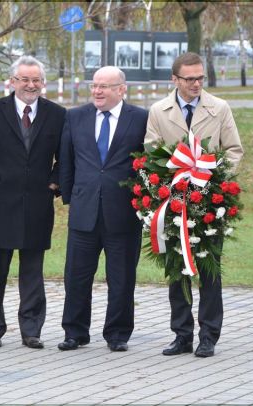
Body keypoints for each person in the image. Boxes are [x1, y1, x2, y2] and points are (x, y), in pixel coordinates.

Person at [0, 56, 66, 349]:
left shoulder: (57, 114)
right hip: (1, 203)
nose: (31, 85)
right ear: (12, 82)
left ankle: (31, 330)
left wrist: (54, 183)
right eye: (25, 80)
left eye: (36, 80)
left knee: (33, 272)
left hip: (38, 204)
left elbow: (65, 156)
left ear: (43, 83)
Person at [145, 52, 244, 358]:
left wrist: (214, 179)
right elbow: (152, 152)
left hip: (209, 201)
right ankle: (181, 334)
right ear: (174, 79)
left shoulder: (219, 108)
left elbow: (233, 150)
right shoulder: (159, 111)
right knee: (177, 269)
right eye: (189, 79)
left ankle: (209, 335)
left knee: (209, 269)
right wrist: (170, 182)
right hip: (174, 201)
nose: (196, 84)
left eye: (200, 78)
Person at [58, 66, 148, 352]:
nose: (97, 91)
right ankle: (75, 332)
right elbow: (66, 160)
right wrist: (71, 197)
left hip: (123, 213)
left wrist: (143, 203)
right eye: (94, 85)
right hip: (84, 211)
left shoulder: (141, 118)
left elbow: (147, 163)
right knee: (76, 276)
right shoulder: (75, 116)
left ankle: (118, 334)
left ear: (121, 89)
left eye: (104, 86)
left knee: (122, 278)